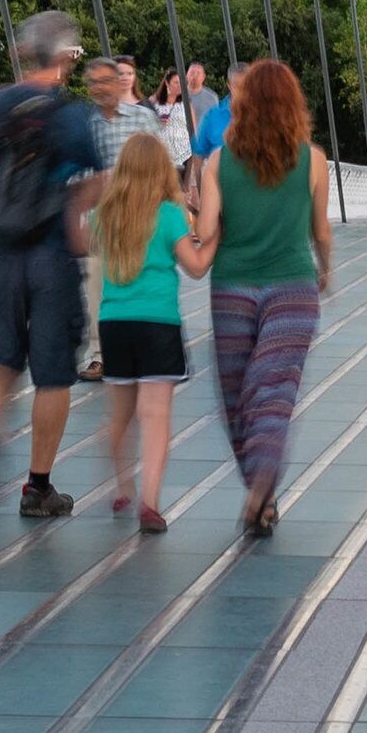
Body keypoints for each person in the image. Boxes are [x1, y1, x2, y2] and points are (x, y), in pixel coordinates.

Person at [0, 12, 108, 517]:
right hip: (51, 256)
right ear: (62, 58)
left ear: (23, 54)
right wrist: (73, 207)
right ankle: (38, 488)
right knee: (54, 373)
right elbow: (100, 185)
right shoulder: (73, 116)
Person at [204, 58, 331, 536]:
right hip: (293, 286)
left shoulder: (218, 162)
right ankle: (264, 489)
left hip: (231, 286)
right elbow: (320, 229)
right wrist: (327, 270)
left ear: (243, 102)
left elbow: (207, 228)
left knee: (239, 397)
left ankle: (260, 489)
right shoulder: (313, 159)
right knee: (274, 391)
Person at [90, 131, 210, 533]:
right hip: (158, 322)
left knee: (119, 415)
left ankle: (123, 485)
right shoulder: (170, 214)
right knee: (156, 416)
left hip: (114, 324)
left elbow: (85, 243)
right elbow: (194, 267)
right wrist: (215, 238)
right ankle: (151, 502)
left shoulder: (106, 214)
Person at [84, 56, 184, 377]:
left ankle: (142, 345)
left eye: (108, 80)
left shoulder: (143, 118)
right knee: (97, 284)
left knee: (141, 278)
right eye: (94, 83)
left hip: (142, 215)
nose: (102, 88)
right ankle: (100, 354)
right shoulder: (87, 125)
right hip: (103, 215)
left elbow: (162, 164)